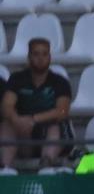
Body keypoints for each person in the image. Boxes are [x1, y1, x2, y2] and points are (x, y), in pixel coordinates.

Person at [0, 38, 73, 170]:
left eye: (45, 54)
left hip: (51, 133)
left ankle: (46, 165)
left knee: (55, 127)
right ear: (29, 57)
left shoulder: (60, 82)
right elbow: (6, 106)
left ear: (50, 57)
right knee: (6, 125)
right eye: (36, 54)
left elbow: (62, 111)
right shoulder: (17, 79)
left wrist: (32, 120)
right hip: (24, 134)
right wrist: (17, 120)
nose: (40, 58)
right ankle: (5, 170)